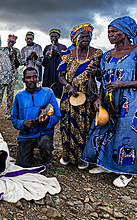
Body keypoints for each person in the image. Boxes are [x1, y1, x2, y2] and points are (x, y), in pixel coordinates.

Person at [81, 16, 137, 188]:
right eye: (109, 32)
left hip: (132, 101)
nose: (110, 34)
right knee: (104, 129)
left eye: (114, 31)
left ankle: (127, 172)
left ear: (126, 32)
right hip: (109, 100)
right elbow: (104, 80)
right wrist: (99, 98)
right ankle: (107, 164)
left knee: (127, 134)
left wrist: (122, 84)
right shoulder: (106, 56)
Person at [57, 23, 103, 170]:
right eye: (82, 36)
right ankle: (67, 156)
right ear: (75, 38)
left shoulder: (97, 54)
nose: (85, 39)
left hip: (88, 95)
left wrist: (96, 72)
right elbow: (60, 75)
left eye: (88, 36)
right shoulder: (67, 54)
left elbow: (103, 75)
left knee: (85, 125)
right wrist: (68, 86)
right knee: (67, 125)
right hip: (69, 95)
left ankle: (83, 158)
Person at [11, 67, 61, 167]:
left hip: (44, 133)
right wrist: (24, 123)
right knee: (22, 165)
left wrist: (47, 120)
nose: (32, 80)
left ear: (38, 78)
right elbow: (14, 118)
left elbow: (57, 115)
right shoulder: (19, 96)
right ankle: (28, 152)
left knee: (45, 145)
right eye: (28, 77)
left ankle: (47, 157)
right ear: (23, 80)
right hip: (26, 135)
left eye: (35, 77)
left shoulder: (48, 92)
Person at [0, 34, 20, 119]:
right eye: (10, 41)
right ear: (7, 41)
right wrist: (7, 57)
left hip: (12, 77)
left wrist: (15, 57)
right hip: (3, 77)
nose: (11, 43)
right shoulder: (1, 50)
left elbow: (17, 65)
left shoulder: (16, 50)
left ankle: (9, 113)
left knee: (10, 96)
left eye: (13, 42)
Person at [42, 29, 67, 98]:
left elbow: (65, 63)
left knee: (57, 93)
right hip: (48, 73)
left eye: (55, 36)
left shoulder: (63, 47)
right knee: (46, 92)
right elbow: (43, 64)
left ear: (58, 37)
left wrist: (57, 52)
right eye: (51, 37)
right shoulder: (47, 47)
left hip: (58, 75)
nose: (53, 38)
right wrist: (46, 57)